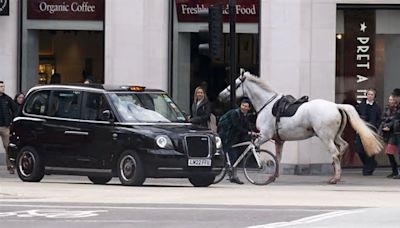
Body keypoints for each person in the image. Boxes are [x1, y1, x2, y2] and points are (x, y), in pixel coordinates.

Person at [218, 98, 257, 184]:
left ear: (249, 108)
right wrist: (248, 132)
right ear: (240, 106)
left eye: (246, 106)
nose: (244, 107)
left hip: (233, 137)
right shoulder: (234, 113)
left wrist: (254, 132)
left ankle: (233, 175)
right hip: (226, 136)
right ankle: (233, 175)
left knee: (234, 156)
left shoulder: (244, 116)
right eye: (243, 105)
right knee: (233, 155)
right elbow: (236, 126)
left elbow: (247, 126)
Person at [355, 88, 381, 176]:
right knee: (359, 150)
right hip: (361, 131)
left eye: (372, 94)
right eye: (369, 94)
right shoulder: (361, 105)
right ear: (366, 95)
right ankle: (371, 164)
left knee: (370, 151)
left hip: (371, 132)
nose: (370, 96)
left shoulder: (377, 107)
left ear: (374, 96)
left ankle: (368, 169)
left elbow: (378, 119)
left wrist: (375, 127)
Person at [0, 81, 18, 174]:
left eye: (3, 86)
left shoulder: (7, 99)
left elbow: (15, 109)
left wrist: (12, 121)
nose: (2, 88)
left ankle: (10, 165)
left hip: (5, 126)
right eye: (0, 86)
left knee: (8, 146)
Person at [379, 95, 398, 178]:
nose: (390, 101)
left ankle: (396, 171)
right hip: (388, 133)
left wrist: (388, 126)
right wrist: (383, 128)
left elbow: (395, 120)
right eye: (389, 99)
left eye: (392, 100)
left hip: (394, 133)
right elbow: (383, 119)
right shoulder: (386, 109)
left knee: (389, 151)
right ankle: (394, 171)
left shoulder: (397, 109)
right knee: (389, 153)